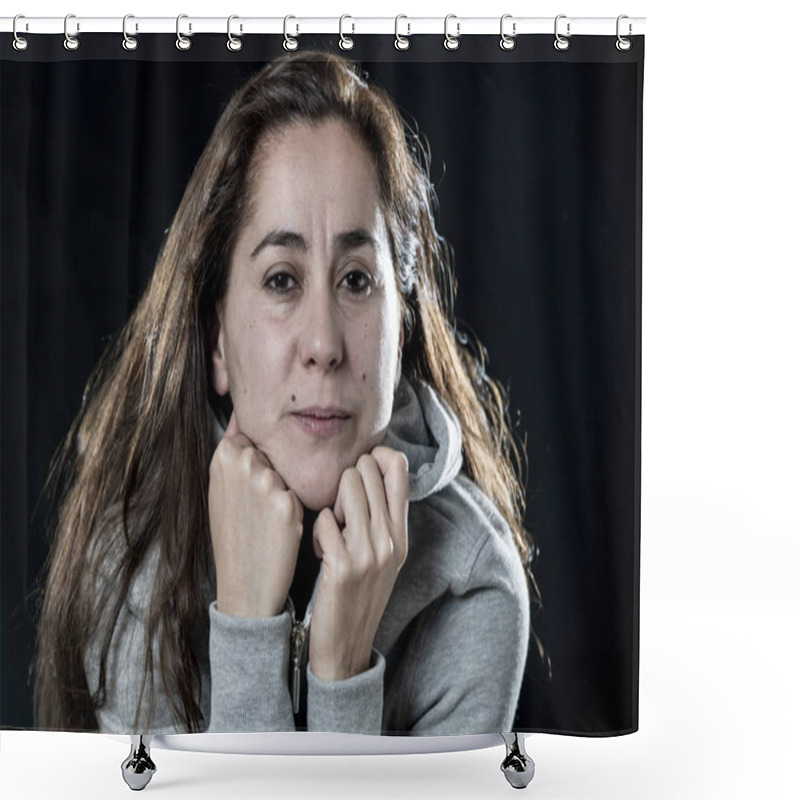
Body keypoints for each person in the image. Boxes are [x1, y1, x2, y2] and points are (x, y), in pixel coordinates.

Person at [34, 51, 538, 735]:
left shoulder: (473, 582)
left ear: (402, 333)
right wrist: (246, 626)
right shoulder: (130, 562)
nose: (324, 344)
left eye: (357, 280)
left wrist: (341, 670)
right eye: (281, 280)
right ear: (217, 343)